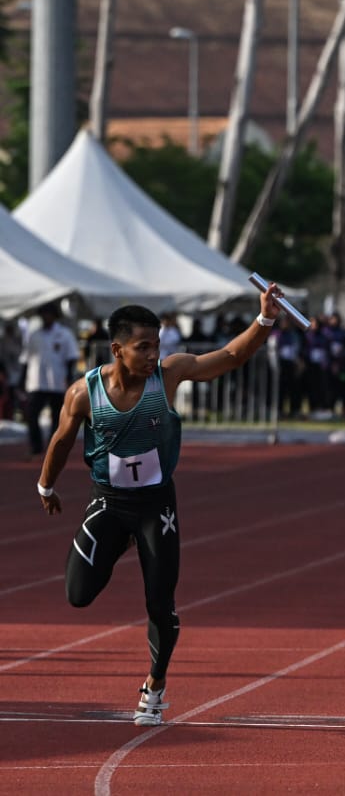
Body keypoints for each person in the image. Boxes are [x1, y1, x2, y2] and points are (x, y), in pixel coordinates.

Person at [35, 286, 284, 726]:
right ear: (117, 349)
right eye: (143, 346)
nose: (154, 354)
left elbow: (228, 356)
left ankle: (155, 685)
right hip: (109, 502)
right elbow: (59, 441)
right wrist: (45, 487)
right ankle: (122, 540)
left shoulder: (168, 376)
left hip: (155, 505)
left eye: (157, 344)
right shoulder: (83, 393)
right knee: (78, 595)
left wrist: (263, 319)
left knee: (159, 600)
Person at [20, 302, 81, 458]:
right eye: (43, 314)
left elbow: (71, 358)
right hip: (36, 382)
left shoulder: (64, 334)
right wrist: (22, 380)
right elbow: (26, 359)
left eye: (49, 314)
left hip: (57, 381)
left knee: (57, 417)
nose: (46, 317)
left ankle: (53, 447)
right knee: (31, 415)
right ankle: (36, 446)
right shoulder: (35, 335)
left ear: (55, 316)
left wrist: (69, 378)